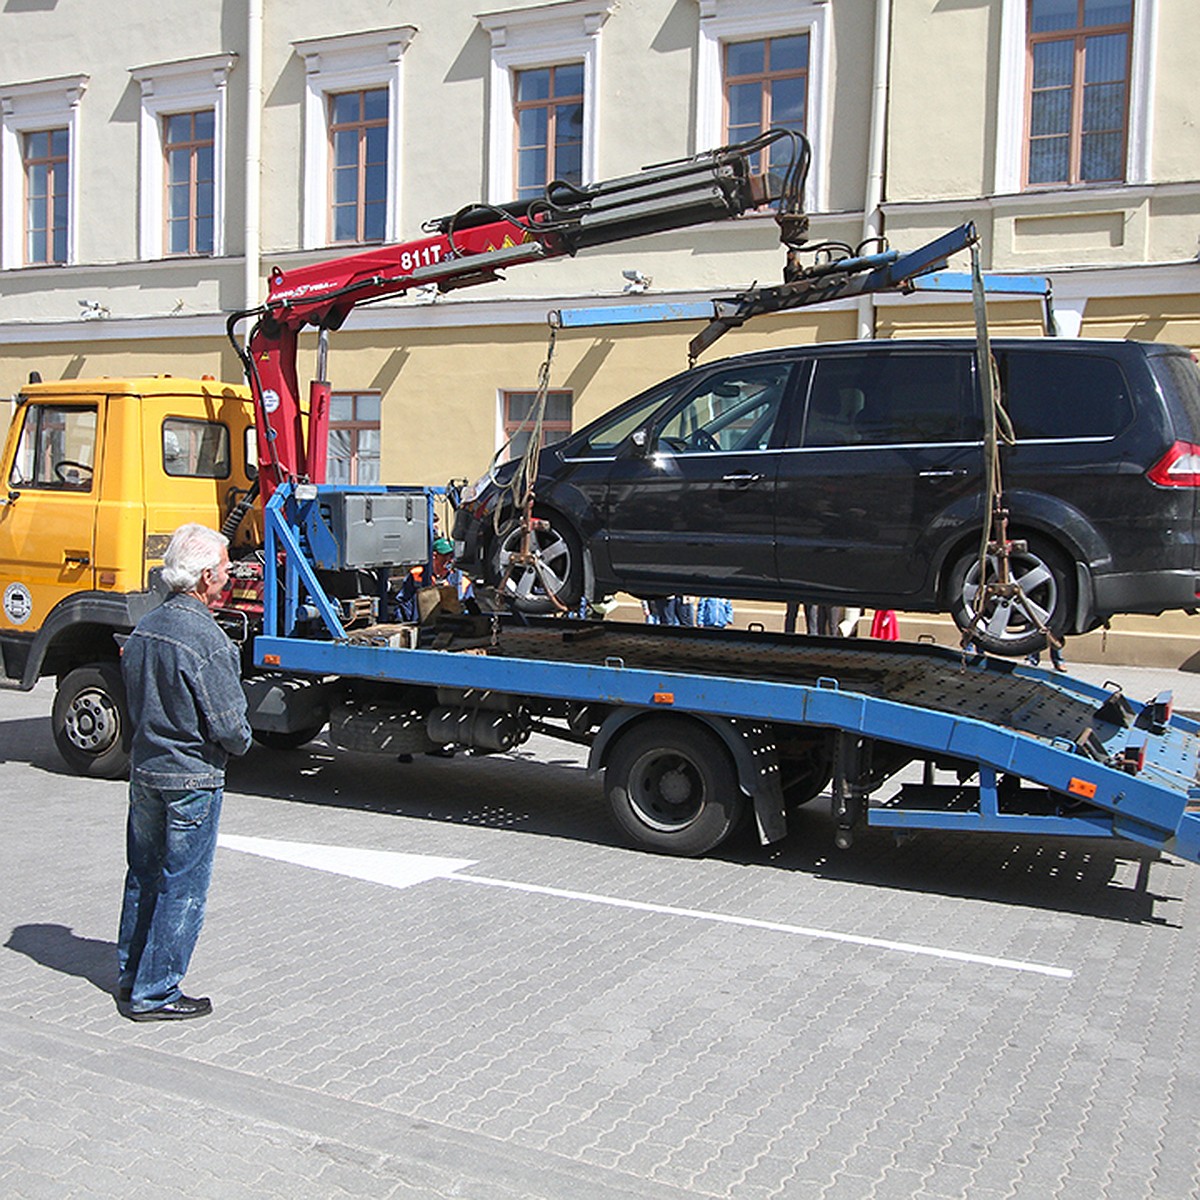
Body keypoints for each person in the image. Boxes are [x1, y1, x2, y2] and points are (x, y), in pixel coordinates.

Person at [116, 524, 251, 1021]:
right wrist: (241, 743)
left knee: (143, 875)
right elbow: (230, 727)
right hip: (191, 779)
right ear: (204, 577)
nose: (229, 578)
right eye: (225, 570)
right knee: (183, 886)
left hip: (147, 772)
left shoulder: (146, 627)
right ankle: (156, 992)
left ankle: (131, 974)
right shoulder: (208, 641)